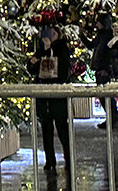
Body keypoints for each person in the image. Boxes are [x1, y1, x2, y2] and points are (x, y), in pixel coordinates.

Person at [27, 24, 72, 173]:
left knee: (62, 128)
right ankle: (49, 159)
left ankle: (68, 157)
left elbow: (64, 69)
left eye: (54, 34)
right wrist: (36, 59)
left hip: (57, 95)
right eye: (49, 33)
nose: (51, 36)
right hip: (43, 96)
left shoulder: (61, 49)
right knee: (46, 129)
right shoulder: (41, 51)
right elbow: (31, 67)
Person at [87, 11, 118, 129]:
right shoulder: (101, 35)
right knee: (103, 95)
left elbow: (110, 54)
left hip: (103, 69)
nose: (97, 25)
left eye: (99, 23)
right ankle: (113, 118)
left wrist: (106, 69)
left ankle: (114, 118)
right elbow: (91, 45)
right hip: (100, 68)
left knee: (105, 95)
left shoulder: (107, 36)